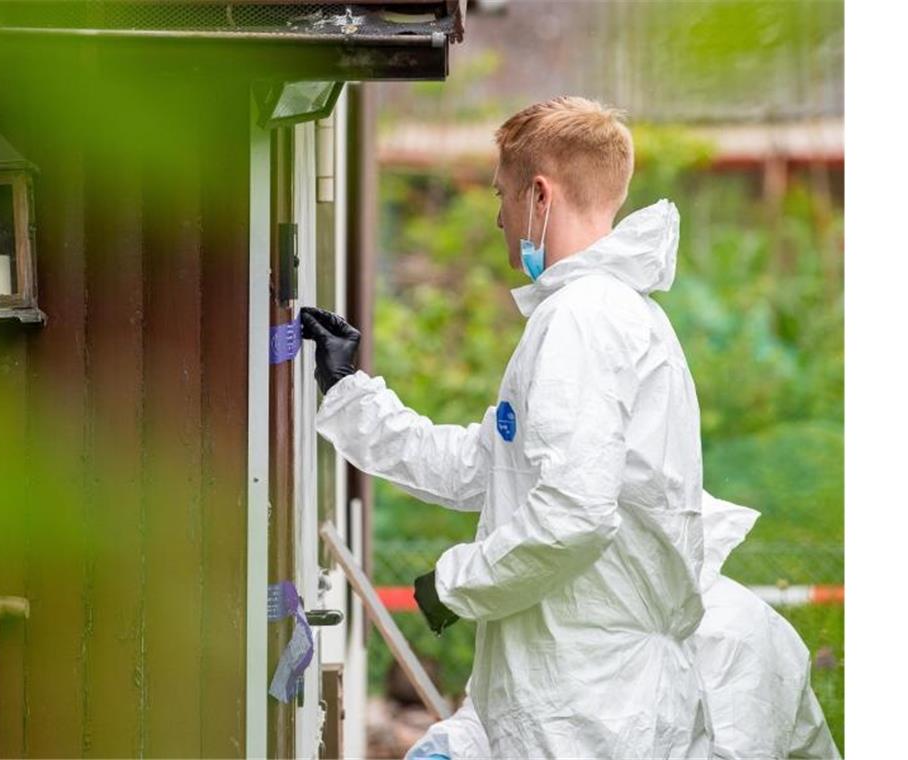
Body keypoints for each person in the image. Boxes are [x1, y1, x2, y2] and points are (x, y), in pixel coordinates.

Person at [302, 96, 712, 757]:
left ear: (539, 195)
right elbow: (484, 466)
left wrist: (455, 583)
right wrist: (352, 397)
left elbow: (576, 512)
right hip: (576, 699)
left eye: (503, 194)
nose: (498, 216)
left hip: (585, 712)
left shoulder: (584, 320)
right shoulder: (608, 315)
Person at [403, 493, 842, 760]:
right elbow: (500, 714)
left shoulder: (731, 632)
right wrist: (449, 746)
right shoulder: (576, 616)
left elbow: (739, 748)